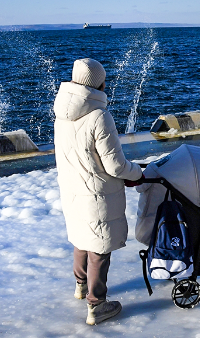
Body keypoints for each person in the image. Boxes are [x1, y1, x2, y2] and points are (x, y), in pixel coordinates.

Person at [53, 58, 143, 325]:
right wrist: (137, 173)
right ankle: (97, 305)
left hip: (72, 190)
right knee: (99, 250)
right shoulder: (99, 116)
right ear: (99, 83)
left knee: (82, 238)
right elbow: (115, 165)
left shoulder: (61, 113)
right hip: (97, 194)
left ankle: (81, 286)